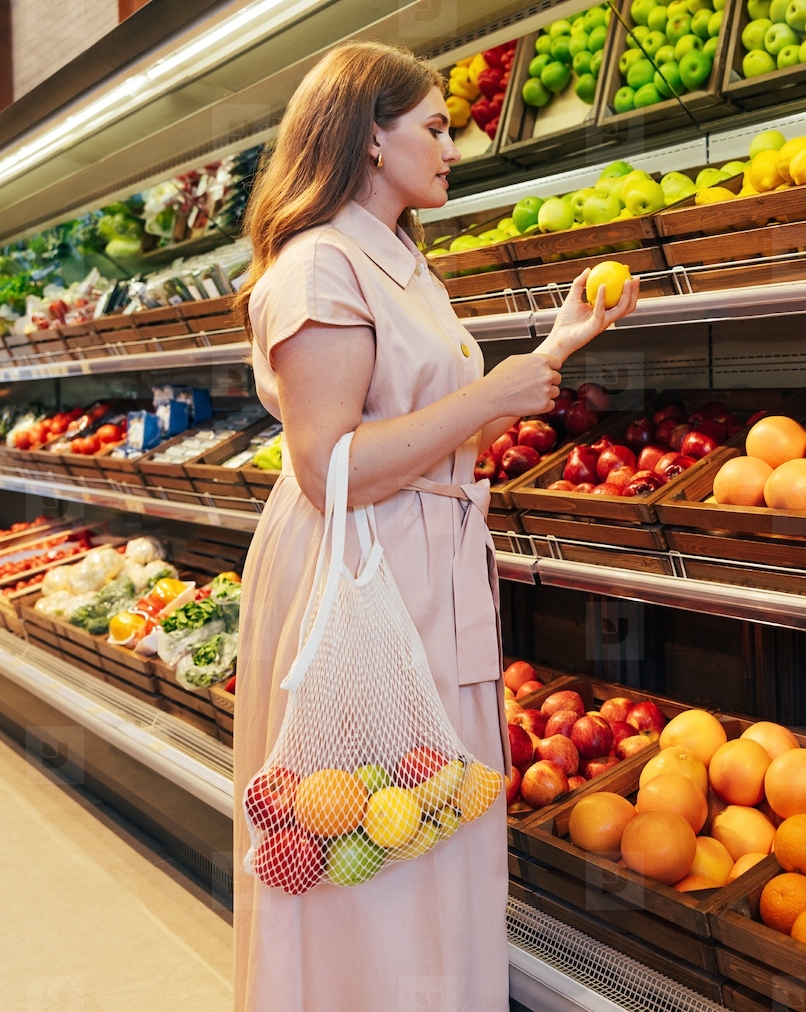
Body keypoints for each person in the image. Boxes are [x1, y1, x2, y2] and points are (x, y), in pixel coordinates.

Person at [231, 40, 640, 1011]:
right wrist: (485, 396)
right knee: (361, 850)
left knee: (429, 827)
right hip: (361, 573)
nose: (453, 147)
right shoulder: (318, 266)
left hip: (420, 561)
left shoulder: (402, 262)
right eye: (434, 126)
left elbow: (428, 431)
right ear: (369, 139)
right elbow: (330, 466)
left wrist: (553, 347)